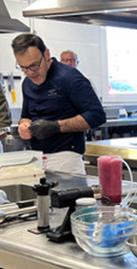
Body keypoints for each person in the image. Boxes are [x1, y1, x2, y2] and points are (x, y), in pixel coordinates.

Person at [12, 34, 106, 174]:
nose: (30, 73)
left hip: (66, 159)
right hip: (37, 158)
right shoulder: (27, 83)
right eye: (23, 68)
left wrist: (56, 127)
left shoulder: (69, 78)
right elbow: (26, 115)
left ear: (47, 54)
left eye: (34, 65)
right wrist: (23, 126)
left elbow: (97, 115)